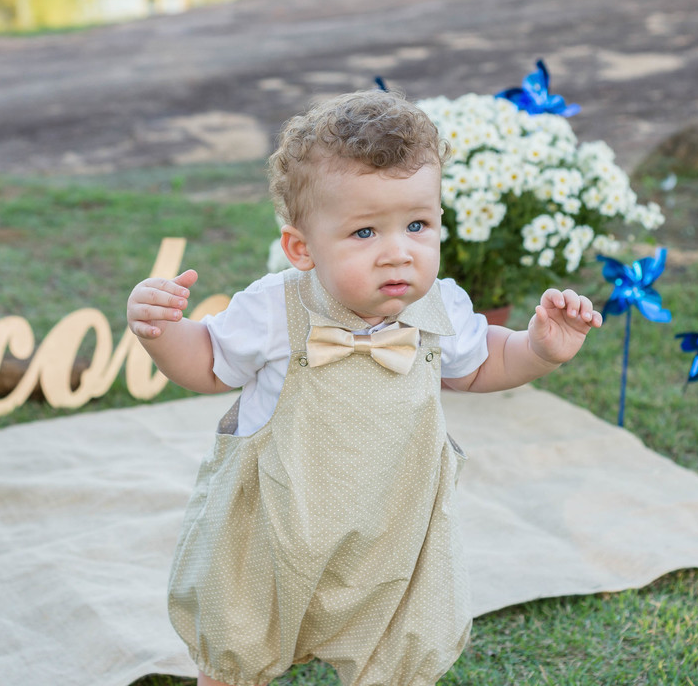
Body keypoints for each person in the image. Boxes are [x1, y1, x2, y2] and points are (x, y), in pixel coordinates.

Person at [126, 90, 603, 686]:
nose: (397, 253)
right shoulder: (275, 309)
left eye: (417, 225)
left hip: (393, 532)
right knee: (242, 632)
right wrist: (163, 332)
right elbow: (206, 364)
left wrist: (537, 349)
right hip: (277, 527)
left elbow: (480, 366)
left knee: (397, 645)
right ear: (301, 248)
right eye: (365, 232)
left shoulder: (439, 306)